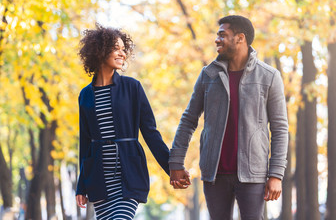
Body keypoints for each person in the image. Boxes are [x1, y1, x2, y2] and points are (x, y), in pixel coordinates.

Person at [169, 15, 288, 220]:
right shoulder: (208, 75)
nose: (217, 40)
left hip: (253, 174)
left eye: (222, 35)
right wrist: (176, 162)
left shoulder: (269, 76)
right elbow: (188, 120)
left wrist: (276, 174)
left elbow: (279, 129)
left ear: (240, 38)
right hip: (214, 173)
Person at [75, 24, 170, 220]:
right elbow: (85, 144)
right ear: (100, 50)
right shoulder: (85, 95)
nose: (122, 54)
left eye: (123, 49)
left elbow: (151, 132)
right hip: (99, 179)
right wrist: (81, 186)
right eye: (116, 48)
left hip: (128, 175)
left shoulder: (132, 87)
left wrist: (172, 168)